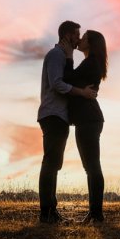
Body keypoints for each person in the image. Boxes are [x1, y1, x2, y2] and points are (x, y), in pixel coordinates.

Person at [37, 20, 97, 224]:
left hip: (59, 115)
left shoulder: (64, 56)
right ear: (67, 35)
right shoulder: (56, 55)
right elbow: (57, 83)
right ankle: (47, 212)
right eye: (77, 35)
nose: (79, 39)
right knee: (51, 162)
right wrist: (82, 92)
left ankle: (50, 212)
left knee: (54, 163)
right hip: (53, 114)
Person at [64, 29, 108, 224]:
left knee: (92, 167)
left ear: (90, 43)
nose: (80, 40)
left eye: (83, 38)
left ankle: (96, 214)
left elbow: (67, 79)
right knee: (90, 167)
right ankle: (94, 213)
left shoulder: (91, 63)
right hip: (88, 119)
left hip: (88, 119)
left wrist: (68, 56)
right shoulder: (91, 62)